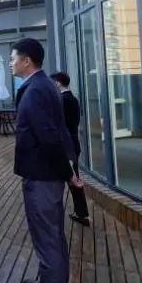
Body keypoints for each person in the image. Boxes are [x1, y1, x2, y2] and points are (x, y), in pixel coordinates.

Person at [10, 39, 83, 283]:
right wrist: (68, 171)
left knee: (48, 241)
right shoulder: (44, 86)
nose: (10, 63)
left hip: (42, 178)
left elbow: (50, 138)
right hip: (47, 176)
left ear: (26, 60)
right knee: (53, 237)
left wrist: (68, 173)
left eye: (13, 58)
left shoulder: (35, 91)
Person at [51, 71, 90, 227]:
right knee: (73, 178)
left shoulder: (61, 100)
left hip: (66, 145)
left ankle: (80, 213)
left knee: (70, 180)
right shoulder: (73, 99)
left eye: (53, 82)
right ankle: (81, 212)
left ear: (58, 83)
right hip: (74, 142)